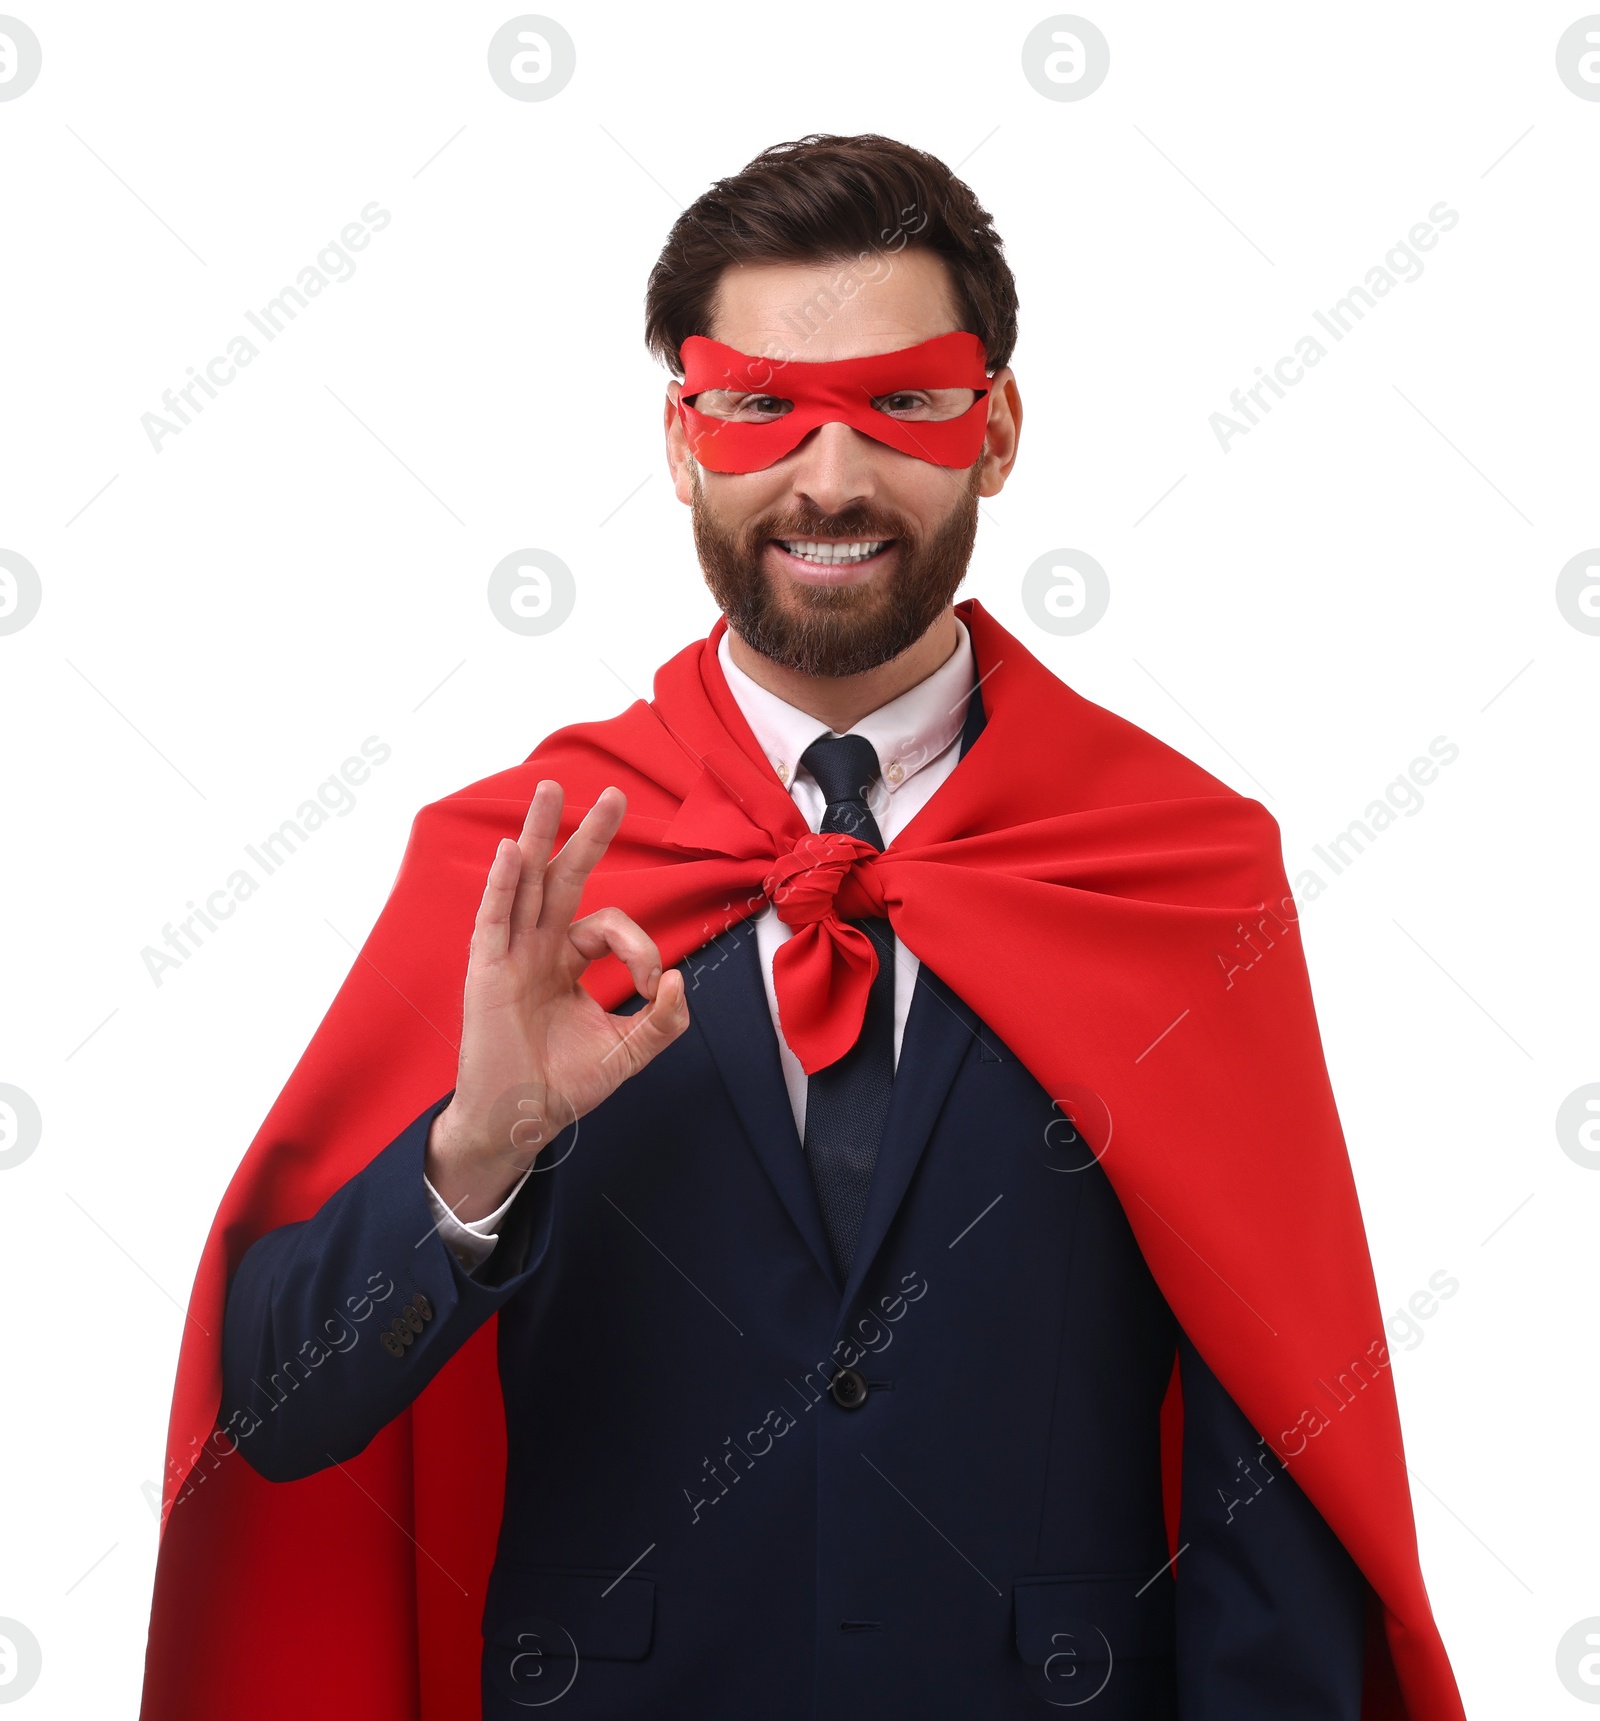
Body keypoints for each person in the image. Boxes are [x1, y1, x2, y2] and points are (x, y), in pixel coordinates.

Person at [141, 134, 1466, 1721]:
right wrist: (476, 1154)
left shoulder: (1172, 865)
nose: (828, 478)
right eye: (762, 406)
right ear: (683, 443)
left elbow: (1283, 1437)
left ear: (998, 432)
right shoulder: (524, 861)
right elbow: (280, 1416)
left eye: (903, 403)